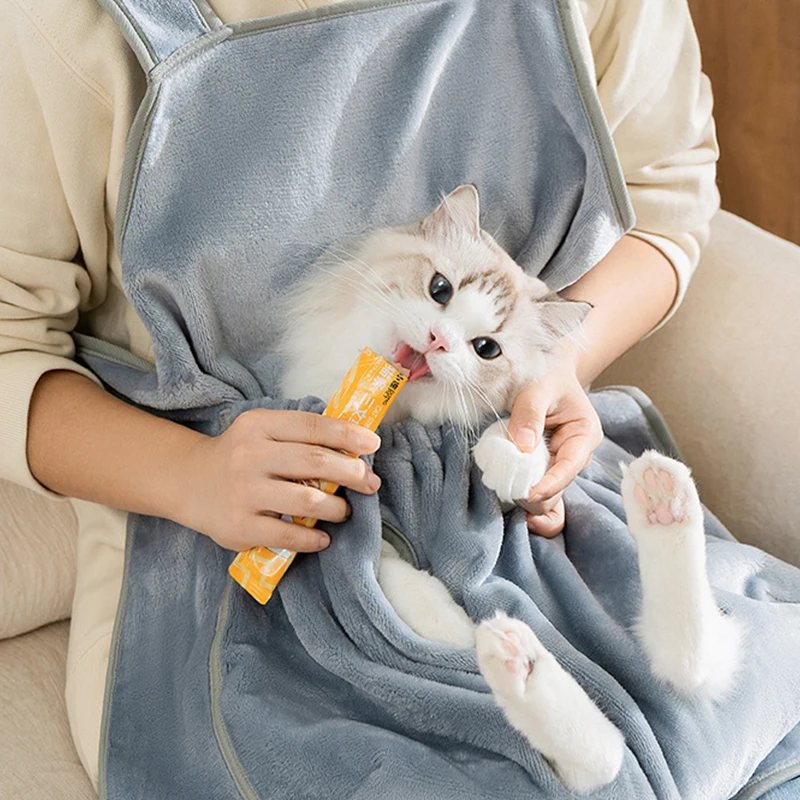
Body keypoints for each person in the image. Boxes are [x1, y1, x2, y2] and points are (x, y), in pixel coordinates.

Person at [0, 0, 719, 792]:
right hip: (221, 568)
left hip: (501, 508)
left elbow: (667, 190)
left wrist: (556, 364)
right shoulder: (61, 23)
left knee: (688, 727)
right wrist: (190, 475)